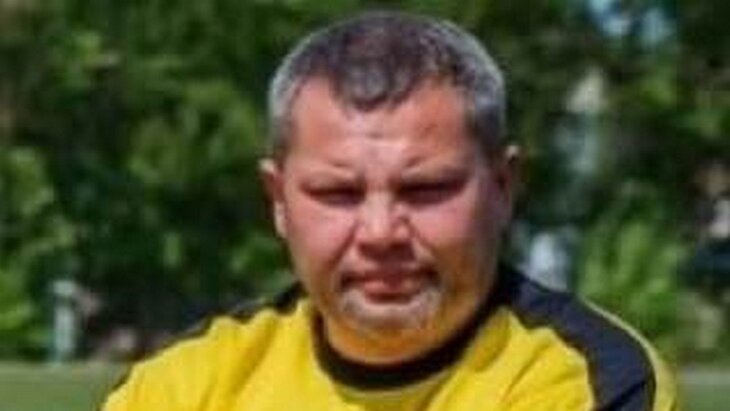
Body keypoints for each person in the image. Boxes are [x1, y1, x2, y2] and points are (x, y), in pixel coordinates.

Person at [102, 11, 677, 411]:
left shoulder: (587, 378)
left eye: (425, 189)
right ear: (278, 200)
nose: (381, 233)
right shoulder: (182, 386)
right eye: (338, 194)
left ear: (503, 188)